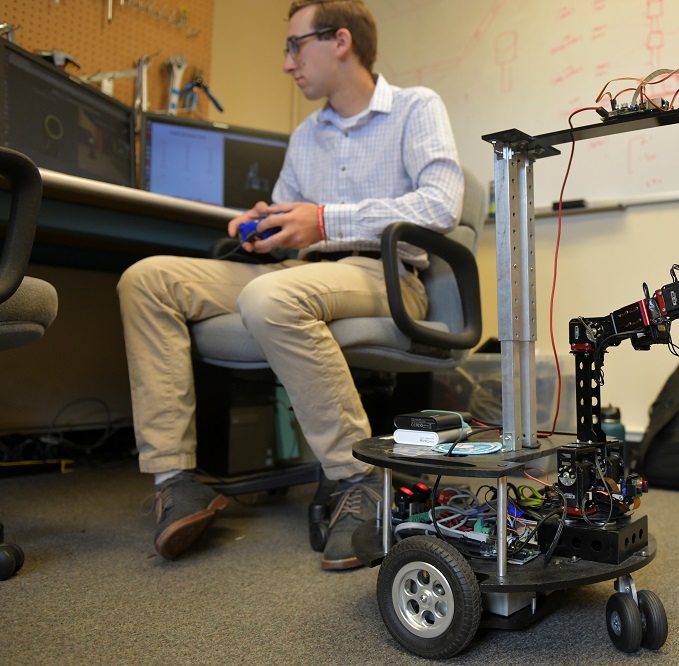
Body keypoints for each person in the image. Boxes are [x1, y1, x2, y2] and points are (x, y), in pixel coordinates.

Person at [117, 0, 463, 569]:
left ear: (341, 41)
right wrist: (266, 227)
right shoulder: (307, 135)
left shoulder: (414, 108)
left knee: (267, 296)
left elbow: (440, 205)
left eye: (294, 45)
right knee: (147, 280)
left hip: (383, 273)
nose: (287, 63)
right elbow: (290, 217)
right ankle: (176, 479)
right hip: (299, 269)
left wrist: (324, 220)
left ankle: (358, 477)